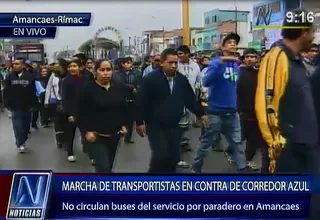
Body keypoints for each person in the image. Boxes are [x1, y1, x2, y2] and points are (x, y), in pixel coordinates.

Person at [256, 9, 319, 173]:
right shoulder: (277, 57)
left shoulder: (298, 60)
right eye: (313, 31)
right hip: (289, 154)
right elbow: (266, 105)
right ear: (304, 32)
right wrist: (277, 146)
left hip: (305, 150)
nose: (314, 36)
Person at [135, 48, 207, 173]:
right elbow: (141, 101)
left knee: (173, 157)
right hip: (155, 125)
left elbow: (189, 99)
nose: (174, 66)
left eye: (175, 63)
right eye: (170, 63)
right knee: (161, 154)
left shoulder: (181, 80)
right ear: (162, 63)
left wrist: (201, 114)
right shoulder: (150, 79)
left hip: (174, 125)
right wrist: (139, 122)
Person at [191, 33, 246, 173]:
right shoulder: (215, 62)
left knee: (237, 144)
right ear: (223, 47)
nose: (233, 44)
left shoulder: (235, 65)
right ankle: (195, 169)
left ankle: (242, 171)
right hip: (215, 112)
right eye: (229, 42)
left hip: (232, 112)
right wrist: (220, 63)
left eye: (235, 42)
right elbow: (206, 82)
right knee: (206, 143)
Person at [77, 59, 127, 173]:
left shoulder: (117, 88)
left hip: (114, 135)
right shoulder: (88, 89)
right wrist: (86, 131)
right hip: (96, 136)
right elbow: (80, 112)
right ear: (96, 72)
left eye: (108, 70)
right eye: (102, 70)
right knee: (103, 167)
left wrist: (123, 125)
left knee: (108, 167)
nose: (106, 73)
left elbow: (122, 108)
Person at [3, 58, 38, 153]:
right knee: (17, 126)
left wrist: (34, 104)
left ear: (23, 66)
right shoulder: (9, 76)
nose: (14, 65)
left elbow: (33, 92)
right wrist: (6, 103)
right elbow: (6, 91)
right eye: (14, 64)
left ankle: (24, 139)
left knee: (26, 126)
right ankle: (20, 143)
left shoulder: (30, 76)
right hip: (15, 106)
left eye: (17, 64)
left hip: (27, 106)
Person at [237, 48, 263, 171]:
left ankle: (246, 160)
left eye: (252, 57)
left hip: (256, 112)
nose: (250, 59)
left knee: (254, 140)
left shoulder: (260, 73)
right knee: (239, 138)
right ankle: (237, 157)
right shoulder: (238, 73)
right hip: (242, 112)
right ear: (243, 59)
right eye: (247, 57)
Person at [61, 59, 86, 162]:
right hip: (72, 111)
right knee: (70, 134)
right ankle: (70, 152)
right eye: (70, 66)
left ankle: (92, 154)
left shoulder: (85, 79)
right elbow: (65, 99)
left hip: (84, 110)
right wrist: (69, 114)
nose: (72, 68)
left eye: (74, 66)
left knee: (86, 132)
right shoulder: (65, 81)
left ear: (80, 67)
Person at [114, 57, 140, 144]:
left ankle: (128, 138)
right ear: (122, 64)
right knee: (120, 119)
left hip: (132, 99)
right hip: (121, 99)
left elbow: (138, 83)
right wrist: (131, 87)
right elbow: (119, 84)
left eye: (130, 63)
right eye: (127, 63)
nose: (129, 65)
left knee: (130, 120)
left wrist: (137, 89)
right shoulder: (117, 74)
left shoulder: (135, 73)